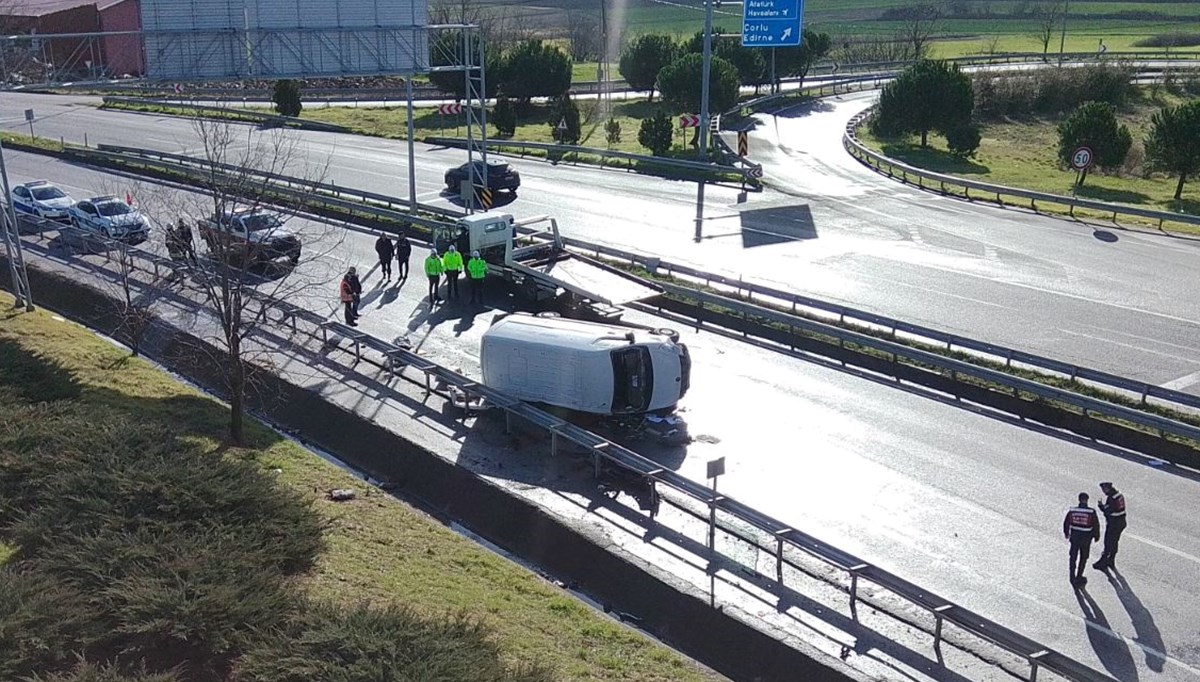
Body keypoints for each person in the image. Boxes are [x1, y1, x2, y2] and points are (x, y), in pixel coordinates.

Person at [1063, 492, 1100, 588]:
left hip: (1075, 538)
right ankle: (1079, 575)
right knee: (1083, 558)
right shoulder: (1091, 512)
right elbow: (1096, 525)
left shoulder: (1073, 510)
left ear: (1079, 500)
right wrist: (1096, 536)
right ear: (1087, 500)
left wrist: (1067, 533)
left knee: (1073, 557)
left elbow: (1066, 523)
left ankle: (1072, 576)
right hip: (1086, 539)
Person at [1094, 482, 1127, 571]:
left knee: (1108, 542)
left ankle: (1103, 562)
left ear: (1108, 488)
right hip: (1121, 522)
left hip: (1114, 524)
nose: (1103, 491)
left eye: (1104, 489)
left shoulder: (1112, 498)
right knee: (1115, 541)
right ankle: (1111, 560)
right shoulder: (1118, 494)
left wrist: (1101, 506)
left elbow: (1108, 511)